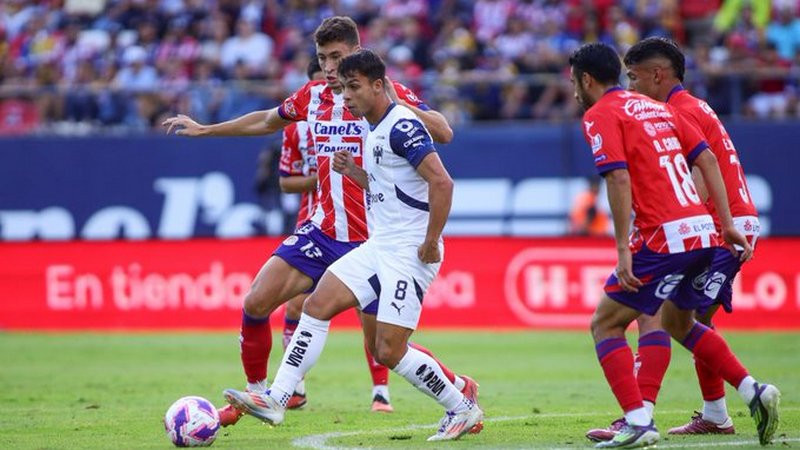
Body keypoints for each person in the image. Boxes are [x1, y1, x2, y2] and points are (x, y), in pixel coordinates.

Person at [163, 16, 479, 430]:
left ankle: (458, 390)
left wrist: (400, 102)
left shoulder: (386, 97)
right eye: (322, 59)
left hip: (379, 235)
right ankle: (266, 394)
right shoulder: (312, 97)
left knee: (385, 347)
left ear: (357, 56)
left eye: (337, 58)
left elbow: (443, 133)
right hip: (326, 229)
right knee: (260, 301)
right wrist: (207, 130)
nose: (329, 68)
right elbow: (265, 120)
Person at [568, 42, 778, 449]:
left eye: (637, 75)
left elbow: (619, 179)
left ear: (586, 80)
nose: (633, 83)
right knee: (681, 322)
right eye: (627, 77)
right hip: (709, 228)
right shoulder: (668, 108)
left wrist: (626, 248)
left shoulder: (608, 113)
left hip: (677, 231)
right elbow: (708, 161)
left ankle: (639, 417)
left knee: (611, 322)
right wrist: (725, 224)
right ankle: (746, 395)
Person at [277, 57, 394, 412]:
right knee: (298, 304)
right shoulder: (298, 126)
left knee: (372, 323)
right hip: (316, 224)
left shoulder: (368, 118)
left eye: (340, 85)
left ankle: (381, 391)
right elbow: (285, 182)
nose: (329, 90)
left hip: (365, 228)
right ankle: (290, 388)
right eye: (320, 80)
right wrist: (323, 172)